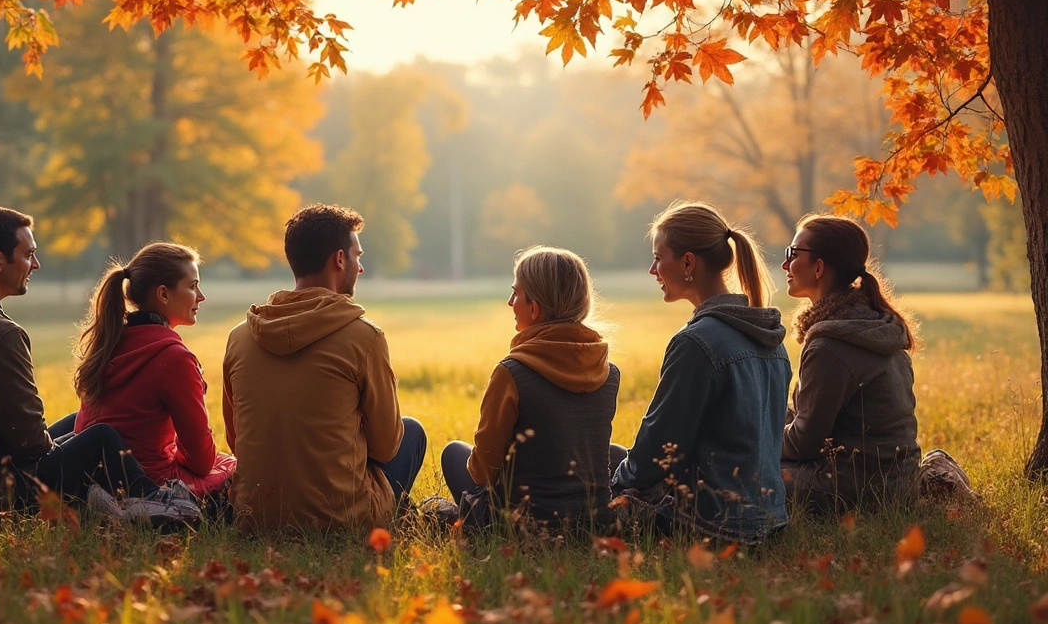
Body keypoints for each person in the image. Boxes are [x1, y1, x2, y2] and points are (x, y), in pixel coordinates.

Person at [0, 203, 195, 521]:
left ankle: (109, 499)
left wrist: (70, 442)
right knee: (102, 438)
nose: (35, 264)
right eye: (28, 254)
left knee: (79, 425)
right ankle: (157, 504)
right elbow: (29, 445)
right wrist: (75, 451)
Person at [222, 204, 427, 532]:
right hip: (342, 521)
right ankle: (393, 517)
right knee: (411, 432)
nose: (359, 267)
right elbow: (387, 447)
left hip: (254, 519)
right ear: (340, 259)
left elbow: (237, 440)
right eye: (357, 256)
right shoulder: (364, 337)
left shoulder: (240, 337)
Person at [612, 201, 791, 544]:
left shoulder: (697, 342)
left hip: (712, 524)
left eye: (658, 257)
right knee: (617, 457)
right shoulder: (771, 337)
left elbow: (659, 451)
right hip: (769, 519)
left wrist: (615, 483)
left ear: (688, 262)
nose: (653, 270)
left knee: (593, 484)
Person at [439, 246, 620, 533]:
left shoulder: (512, 373)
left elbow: (482, 470)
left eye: (515, 293)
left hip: (524, 524)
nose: (510, 302)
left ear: (534, 308)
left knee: (453, 453)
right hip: (595, 522)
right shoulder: (609, 373)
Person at [71, 242, 236, 503]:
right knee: (234, 468)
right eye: (192, 286)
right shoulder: (174, 358)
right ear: (163, 294)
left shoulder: (110, 341)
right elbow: (202, 461)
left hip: (93, 477)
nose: (201, 296)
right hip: (151, 483)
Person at [780, 214, 922, 513]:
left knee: (735, 477)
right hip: (898, 480)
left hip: (855, 487)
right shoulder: (874, 322)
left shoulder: (830, 343)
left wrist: (754, 440)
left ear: (818, 267)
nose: (785, 264)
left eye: (792, 254)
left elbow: (806, 443)